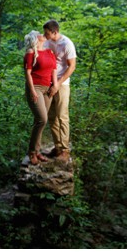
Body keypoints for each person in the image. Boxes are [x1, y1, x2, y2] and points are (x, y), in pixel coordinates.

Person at [44, 19, 76, 162]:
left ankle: (65, 150)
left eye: (47, 33)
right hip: (48, 82)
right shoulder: (47, 42)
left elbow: (72, 66)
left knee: (62, 116)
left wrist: (58, 83)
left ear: (55, 32)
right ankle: (57, 147)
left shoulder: (67, 44)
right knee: (51, 117)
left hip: (62, 84)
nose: (45, 36)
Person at [23, 30, 57, 165]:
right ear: (34, 38)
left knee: (40, 121)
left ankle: (37, 151)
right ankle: (32, 152)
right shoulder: (31, 52)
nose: (42, 34)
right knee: (42, 119)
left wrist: (54, 86)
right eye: (38, 33)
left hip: (48, 89)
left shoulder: (49, 52)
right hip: (36, 88)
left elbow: (54, 69)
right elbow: (28, 73)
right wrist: (32, 90)